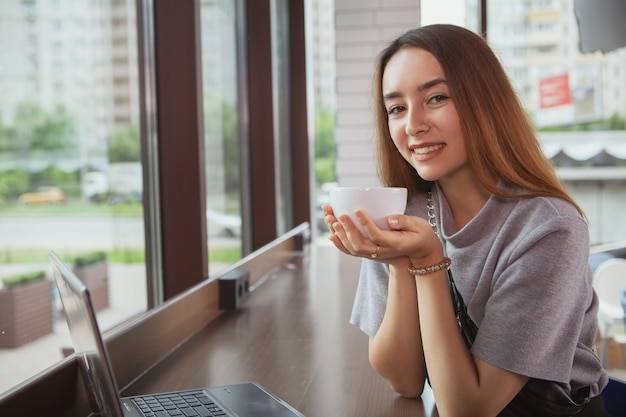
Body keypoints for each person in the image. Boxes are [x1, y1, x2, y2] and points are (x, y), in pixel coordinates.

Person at [323, 24, 610, 417]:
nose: (413, 125)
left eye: (436, 97)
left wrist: (427, 260)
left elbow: (469, 410)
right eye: (397, 108)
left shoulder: (550, 229)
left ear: (485, 101)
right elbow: (404, 380)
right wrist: (399, 263)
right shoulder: (401, 215)